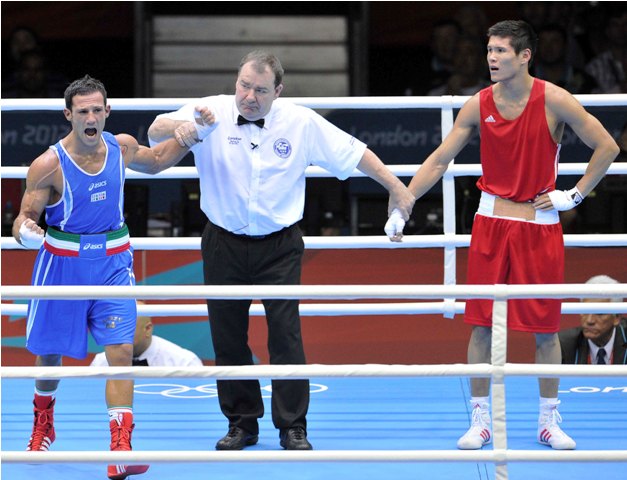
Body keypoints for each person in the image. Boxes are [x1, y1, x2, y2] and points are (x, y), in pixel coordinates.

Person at [147, 50, 415, 451]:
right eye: (243, 86)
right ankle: (242, 423)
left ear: (278, 91)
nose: (248, 96)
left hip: (280, 245)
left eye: (259, 89)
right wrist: (185, 125)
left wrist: (398, 188)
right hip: (223, 240)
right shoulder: (213, 110)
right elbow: (154, 129)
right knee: (227, 337)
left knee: (286, 336)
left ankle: (293, 426)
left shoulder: (300, 121)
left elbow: (355, 153)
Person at [385, 20, 619, 450]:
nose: (491, 58)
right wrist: (404, 202)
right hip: (491, 223)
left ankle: (548, 421)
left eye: (501, 51)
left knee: (545, 330)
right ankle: (481, 420)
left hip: (539, 225)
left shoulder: (554, 100)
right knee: (480, 326)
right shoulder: (479, 104)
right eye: (489, 50)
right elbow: (438, 160)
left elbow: (607, 146)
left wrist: (576, 195)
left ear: (525, 55)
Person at [13, 75, 194, 480]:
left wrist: (193, 134)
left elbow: (160, 159)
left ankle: (120, 448)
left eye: (98, 109)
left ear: (107, 111)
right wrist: (26, 232)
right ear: (68, 115)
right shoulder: (49, 165)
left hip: (113, 261)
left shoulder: (122, 147)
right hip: (62, 263)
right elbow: (23, 218)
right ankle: (43, 425)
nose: (91, 117)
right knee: (49, 354)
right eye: (83, 112)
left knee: (120, 352)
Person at [91, 304, 203, 367]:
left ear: (148, 329)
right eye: (117, 327)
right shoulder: (100, 362)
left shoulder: (184, 363)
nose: (120, 334)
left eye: (127, 327)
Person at [559, 275, 627, 365]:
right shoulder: (564, 345)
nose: (589, 321)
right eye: (585, 311)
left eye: (599, 313)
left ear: (617, 318)